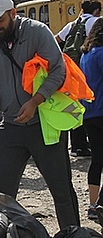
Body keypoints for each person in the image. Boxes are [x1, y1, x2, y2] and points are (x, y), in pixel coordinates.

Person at [0, 0, 80, 229]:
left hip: (44, 125)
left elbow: (58, 70)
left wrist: (35, 101)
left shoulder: (38, 32)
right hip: (10, 126)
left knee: (61, 191)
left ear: (13, 13)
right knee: (2, 196)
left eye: (0, 20)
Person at [56, 0, 101, 157]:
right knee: (90, 103)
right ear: (96, 11)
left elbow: (57, 39)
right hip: (89, 68)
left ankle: (77, 146)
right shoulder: (96, 22)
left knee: (75, 106)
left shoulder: (72, 24)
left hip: (71, 71)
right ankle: (91, 142)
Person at [79, 18, 103, 221]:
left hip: (89, 113)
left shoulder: (85, 56)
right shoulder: (102, 54)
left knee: (97, 160)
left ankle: (93, 205)